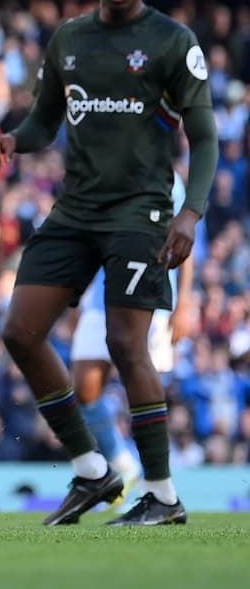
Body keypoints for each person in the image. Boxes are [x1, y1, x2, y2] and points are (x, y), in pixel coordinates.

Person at [0, 0, 216, 527]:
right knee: (20, 332)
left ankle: (163, 497)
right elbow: (43, 121)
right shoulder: (70, 40)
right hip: (76, 210)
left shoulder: (171, 41)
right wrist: (14, 140)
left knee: (124, 344)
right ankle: (93, 471)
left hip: (141, 212)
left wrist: (190, 212)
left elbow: (206, 135)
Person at [70, 173, 198, 506]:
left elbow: (186, 243)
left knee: (141, 390)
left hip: (148, 297)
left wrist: (184, 302)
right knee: (84, 385)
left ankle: (155, 483)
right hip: (101, 295)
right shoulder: (99, 170)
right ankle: (122, 461)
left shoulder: (168, 181)